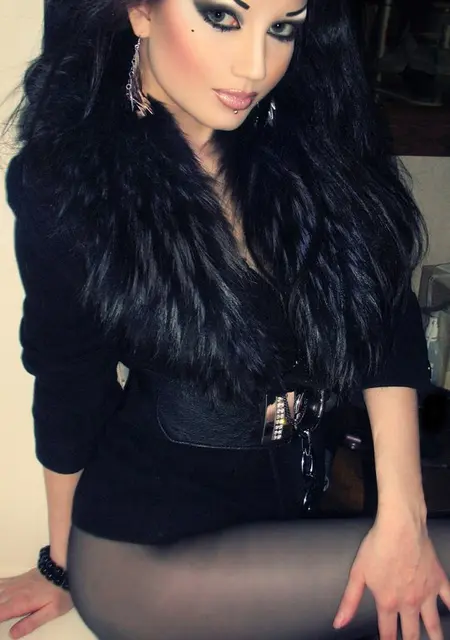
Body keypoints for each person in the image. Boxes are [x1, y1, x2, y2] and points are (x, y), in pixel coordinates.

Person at [1, 0, 450, 638]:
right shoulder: (67, 178)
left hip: (290, 510)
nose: (256, 65)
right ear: (139, 11)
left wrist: (404, 518)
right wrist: (60, 565)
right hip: (148, 557)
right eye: (222, 17)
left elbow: (385, 318)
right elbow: (69, 375)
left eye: (282, 27)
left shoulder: (308, 144)